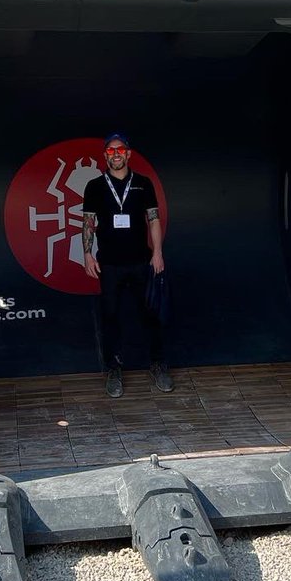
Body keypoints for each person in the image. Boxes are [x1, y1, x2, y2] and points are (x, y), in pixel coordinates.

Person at [82, 133, 169, 397]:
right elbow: (88, 222)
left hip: (141, 260)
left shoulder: (143, 183)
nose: (116, 154)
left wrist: (157, 253)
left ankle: (157, 364)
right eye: (110, 151)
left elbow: (153, 219)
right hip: (109, 263)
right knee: (110, 316)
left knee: (151, 314)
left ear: (129, 154)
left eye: (120, 150)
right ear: (105, 155)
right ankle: (113, 369)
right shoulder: (95, 186)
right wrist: (87, 254)